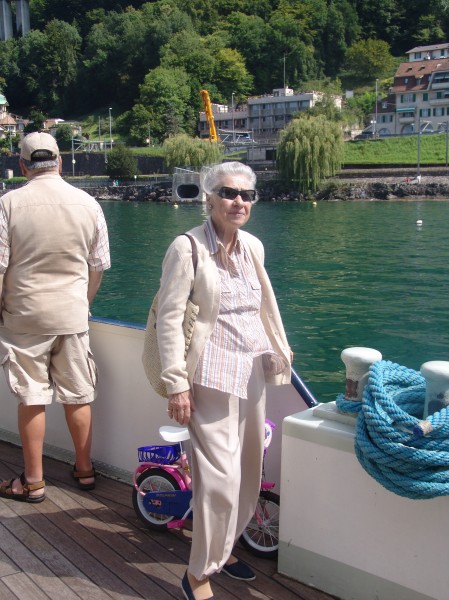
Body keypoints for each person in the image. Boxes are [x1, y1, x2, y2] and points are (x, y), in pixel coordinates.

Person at [150, 161, 291, 600]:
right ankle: (198, 575)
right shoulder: (187, 248)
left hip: (251, 374)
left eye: (247, 195)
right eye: (229, 193)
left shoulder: (253, 247)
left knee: (248, 472)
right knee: (220, 481)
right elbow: (169, 320)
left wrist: (277, 352)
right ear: (208, 198)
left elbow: (260, 309)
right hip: (208, 378)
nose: (239, 201)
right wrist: (176, 383)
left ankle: (223, 549)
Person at [0, 132, 111, 503]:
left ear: (22, 165)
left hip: (24, 316)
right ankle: (85, 469)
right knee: (78, 394)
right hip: (72, 314)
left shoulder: (7, 204)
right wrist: (83, 302)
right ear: (60, 161)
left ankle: (33, 481)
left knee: (32, 397)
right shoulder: (88, 204)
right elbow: (98, 266)